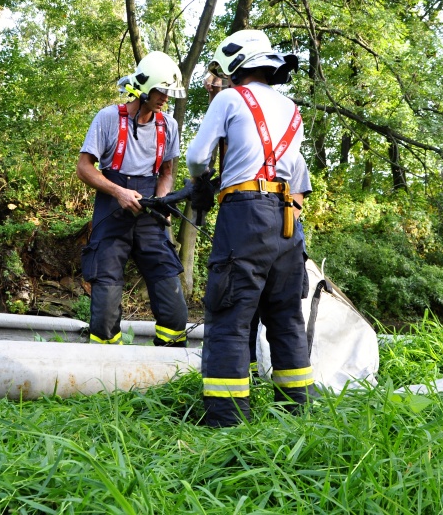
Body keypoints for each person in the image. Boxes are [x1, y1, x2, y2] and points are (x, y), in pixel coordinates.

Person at [185, 29, 317, 427]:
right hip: (288, 217)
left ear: (234, 63)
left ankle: (227, 421)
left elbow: (196, 157)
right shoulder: (291, 109)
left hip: (244, 214)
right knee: (286, 317)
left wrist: (202, 180)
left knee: (230, 313)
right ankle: (297, 414)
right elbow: (295, 169)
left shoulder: (229, 98)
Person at [77, 51, 189, 347]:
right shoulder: (108, 118)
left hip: (150, 214)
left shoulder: (169, 126)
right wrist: (119, 192)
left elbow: (166, 173)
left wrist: (162, 200)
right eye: (161, 90)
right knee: (104, 305)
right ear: (144, 87)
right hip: (112, 211)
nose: (166, 97)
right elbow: (84, 168)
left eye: (169, 92)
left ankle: (170, 362)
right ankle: (104, 364)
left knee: (173, 301)